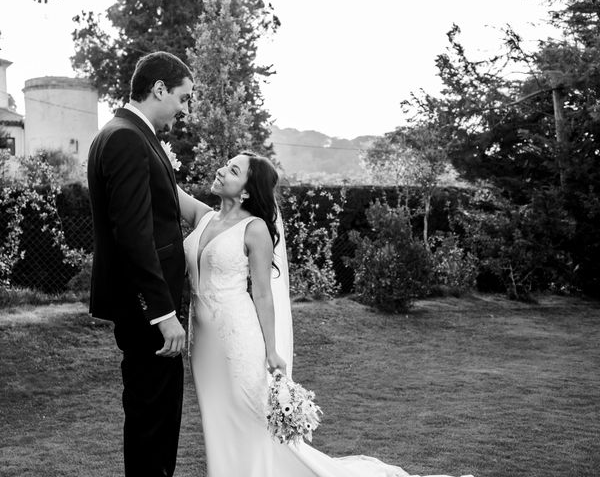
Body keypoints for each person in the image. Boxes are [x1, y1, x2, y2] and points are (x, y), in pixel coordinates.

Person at [178, 151, 472, 477]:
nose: (220, 171)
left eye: (232, 170)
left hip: (237, 339)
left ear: (246, 190)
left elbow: (262, 294)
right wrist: (154, 147)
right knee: (216, 416)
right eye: (226, 165)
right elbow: (165, 184)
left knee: (252, 418)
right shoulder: (203, 217)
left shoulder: (254, 229)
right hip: (202, 343)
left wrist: (273, 351)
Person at [87, 51, 193, 477]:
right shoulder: (127, 138)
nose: (183, 109)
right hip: (148, 312)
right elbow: (134, 235)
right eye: (183, 98)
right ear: (160, 89)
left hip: (145, 308)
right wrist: (163, 313)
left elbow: (163, 210)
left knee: (156, 418)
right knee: (154, 420)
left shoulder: (125, 132)